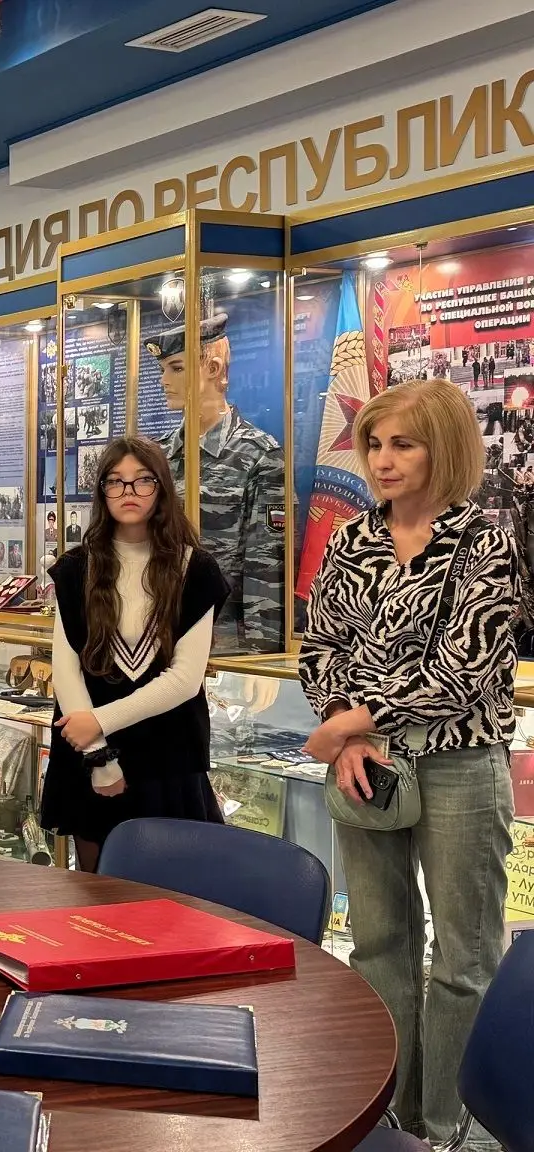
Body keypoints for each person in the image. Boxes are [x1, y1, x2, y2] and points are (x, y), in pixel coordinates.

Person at [298, 378, 519, 1145]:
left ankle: (448, 1123)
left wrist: (353, 721)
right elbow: (320, 646)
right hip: (367, 767)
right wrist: (346, 729)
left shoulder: (484, 543)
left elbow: (467, 668)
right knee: (380, 947)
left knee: (465, 958)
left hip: (460, 765)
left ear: (443, 448)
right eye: (374, 444)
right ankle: (388, 1117)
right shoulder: (350, 539)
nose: (383, 460)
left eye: (404, 444)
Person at [38, 437, 229, 873]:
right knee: (95, 889)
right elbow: (66, 670)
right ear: (101, 491)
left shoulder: (195, 570)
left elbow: (184, 680)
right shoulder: (76, 569)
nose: (129, 492)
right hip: (91, 753)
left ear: (161, 488)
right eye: (116, 481)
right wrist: (99, 756)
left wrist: (99, 722)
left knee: (171, 889)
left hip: (167, 752)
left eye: (143, 481)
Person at [149, 313, 284, 654]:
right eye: (163, 369)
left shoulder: (259, 455)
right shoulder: (157, 456)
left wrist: (260, 658)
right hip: (155, 640)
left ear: (212, 368)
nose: (164, 380)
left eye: (176, 368)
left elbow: (265, 566)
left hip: (223, 645)